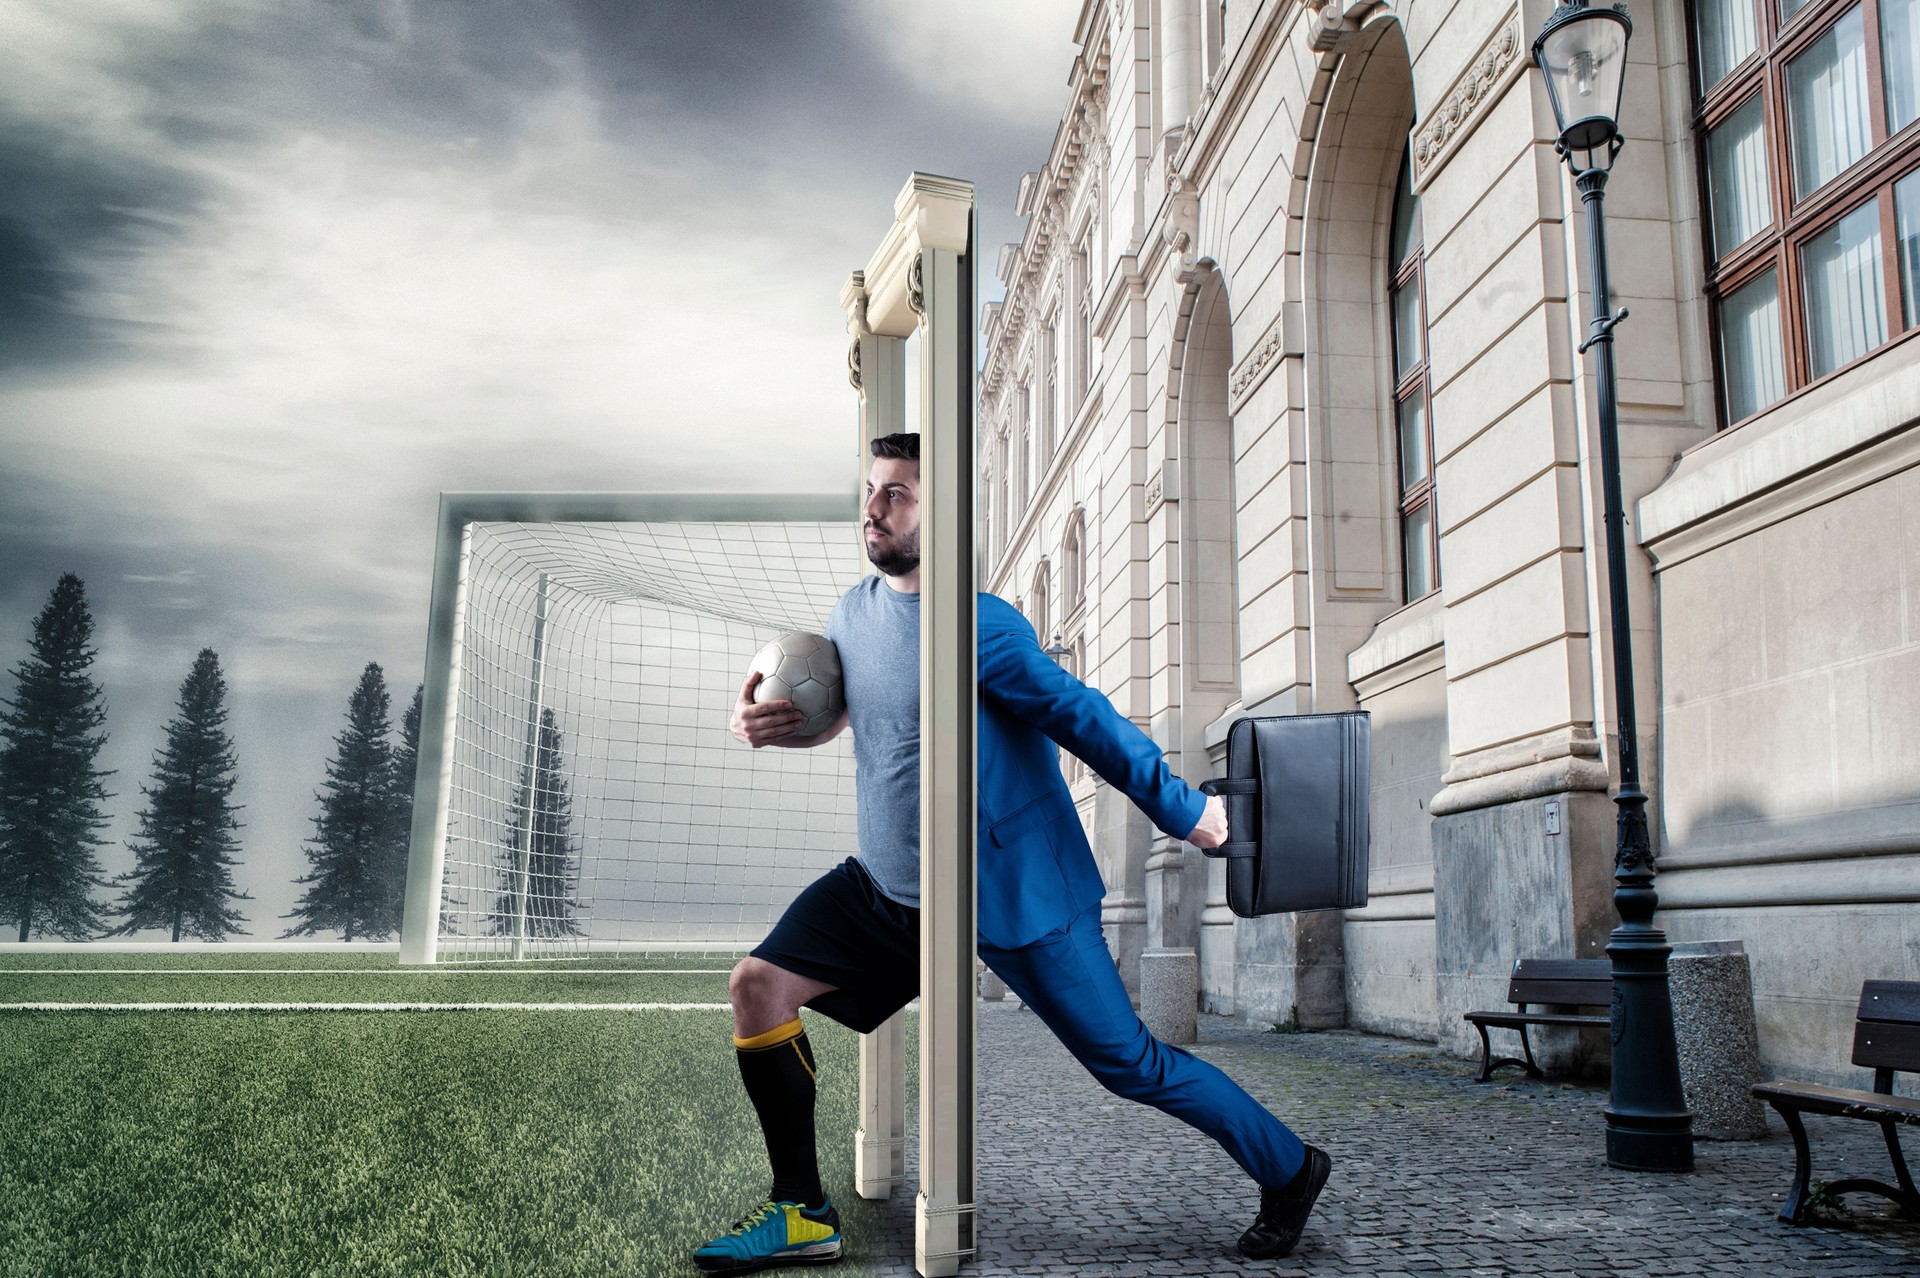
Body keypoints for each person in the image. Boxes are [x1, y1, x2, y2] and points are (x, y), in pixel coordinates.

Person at [693, 432, 1328, 1275]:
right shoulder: (852, 614)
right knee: (758, 986)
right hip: (893, 893)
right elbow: (872, 719)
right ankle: (802, 1210)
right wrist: (771, 726)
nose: (874, 509)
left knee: (1130, 1064)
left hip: (1013, 892)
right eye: (873, 490)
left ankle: (1290, 1166)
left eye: (899, 495)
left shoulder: (981, 628)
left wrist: (1188, 813)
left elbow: (1086, 719)